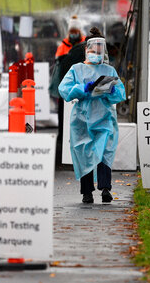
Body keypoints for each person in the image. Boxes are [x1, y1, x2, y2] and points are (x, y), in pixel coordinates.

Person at [58, 27, 126, 204]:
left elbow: (120, 93)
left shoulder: (109, 71)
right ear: (86, 50)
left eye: (99, 50)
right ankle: (86, 192)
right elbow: (63, 89)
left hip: (104, 117)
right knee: (84, 152)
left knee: (104, 152)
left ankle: (105, 189)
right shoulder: (76, 69)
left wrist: (107, 90)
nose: (96, 53)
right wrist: (82, 89)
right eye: (92, 50)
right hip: (82, 119)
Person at [51, 15, 86, 165]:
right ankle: (62, 137)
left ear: (79, 31)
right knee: (62, 111)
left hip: (80, 84)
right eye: (71, 31)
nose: (73, 33)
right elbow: (58, 62)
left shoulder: (86, 44)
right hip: (66, 84)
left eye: (75, 31)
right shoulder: (63, 45)